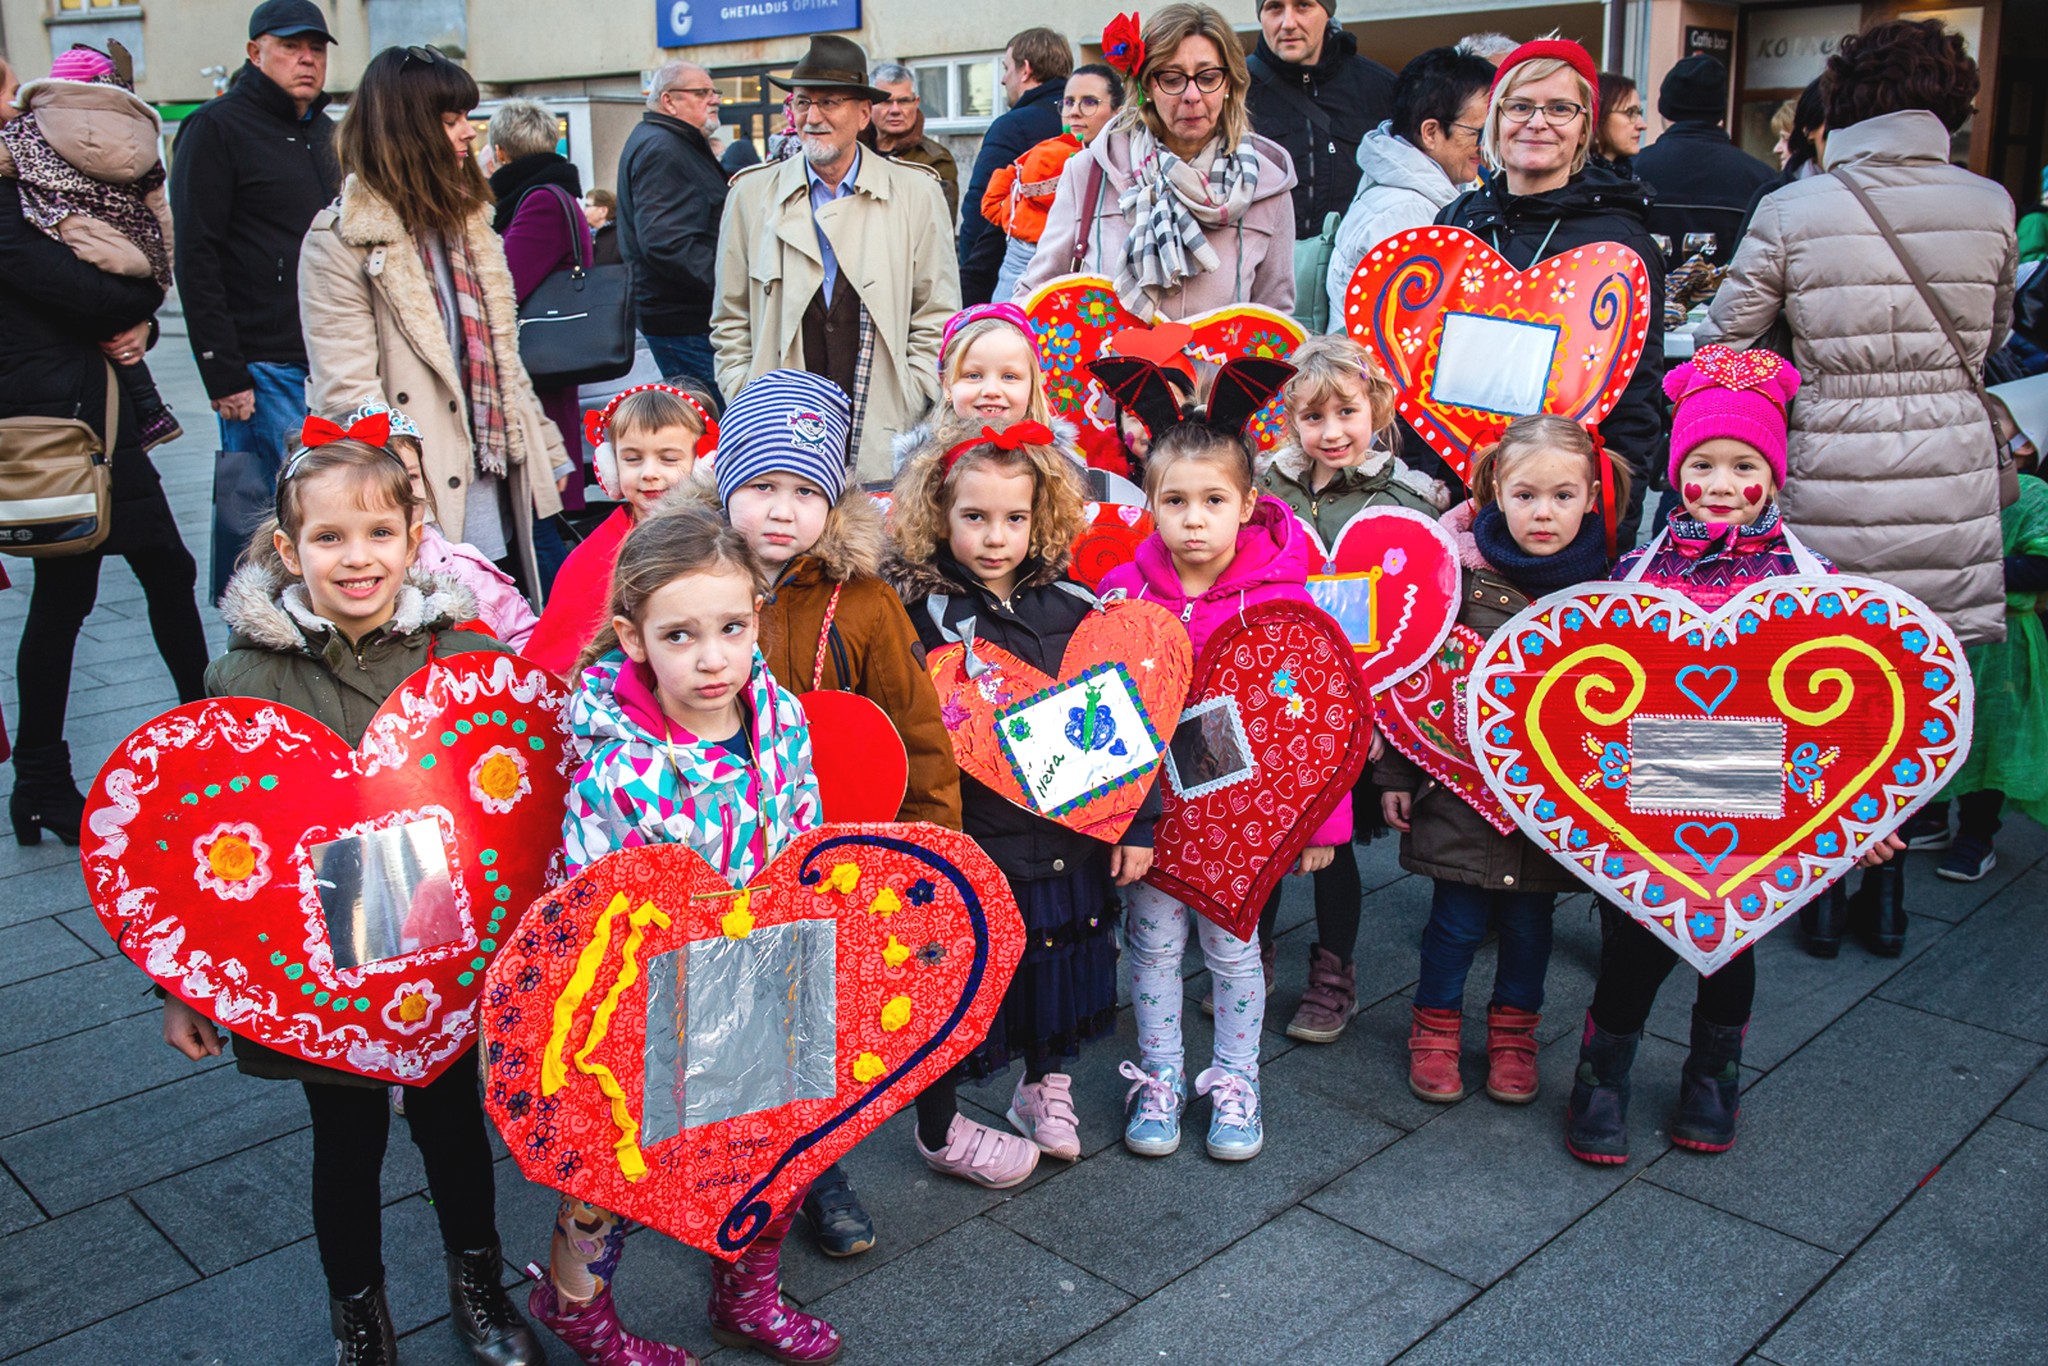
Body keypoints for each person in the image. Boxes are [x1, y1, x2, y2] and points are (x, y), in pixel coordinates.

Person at [162, 436, 542, 1366]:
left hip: (441, 946)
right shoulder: (244, 678)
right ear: (290, 553)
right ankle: (359, 1317)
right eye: (330, 537)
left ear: (417, 539)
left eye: (379, 531)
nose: (358, 556)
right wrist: (188, 986)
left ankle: (480, 1284)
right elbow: (192, 845)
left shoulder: (467, 659)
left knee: (454, 1125)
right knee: (346, 1139)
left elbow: (524, 803)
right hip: (319, 966)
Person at [1568, 346, 1902, 1162]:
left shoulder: (1814, 582)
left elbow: (1859, 700)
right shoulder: (1636, 572)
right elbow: (1591, 674)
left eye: (1743, 464)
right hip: (1654, 777)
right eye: (1703, 463)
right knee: (1640, 939)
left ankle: (1713, 1076)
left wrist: (1871, 811)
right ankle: (1601, 1075)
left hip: (1759, 783)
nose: (1719, 482)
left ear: (1774, 475)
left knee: (1730, 942)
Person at [533, 508, 841, 1366]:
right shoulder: (616, 761)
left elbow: (807, 838)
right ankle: (575, 1306)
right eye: (681, 635)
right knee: (613, 1177)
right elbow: (588, 906)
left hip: (772, 981)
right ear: (633, 638)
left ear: (756, 617)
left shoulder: (777, 715)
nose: (712, 659)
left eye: (732, 628)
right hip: (657, 1007)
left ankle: (747, 1296)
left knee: (774, 1153)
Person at [714, 370, 961, 1255]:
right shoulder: (688, 578)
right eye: (761, 486)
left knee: (814, 1024)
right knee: (724, 1021)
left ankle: (815, 1171)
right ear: (724, 483)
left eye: (805, 491)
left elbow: (916, 729)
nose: (781, 512)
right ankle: (730, 1170)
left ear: (835, 500)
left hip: (828, 857)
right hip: (716, 852)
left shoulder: (864, 600)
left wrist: (936, 845)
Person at [1699, 17, 2016, 656]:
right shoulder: (1992, 204)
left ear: (1842, 102)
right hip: (1952, 472)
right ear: (1952, 105)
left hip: (1828, 465)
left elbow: (1722, 346)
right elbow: (1996, 335)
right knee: (1931, 681)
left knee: (1824, 667)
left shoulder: (1794, 208)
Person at [888, 418, 1139, 1185]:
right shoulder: (918, 615)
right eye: (975, 517)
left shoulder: (1072, 606)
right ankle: (948, 1115)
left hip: (1071, 834)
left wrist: (1137, 822)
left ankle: (1044, 1086)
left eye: (1015, 518)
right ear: (939, 514)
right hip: (978, 839)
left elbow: (1126, 722)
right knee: (975, 980)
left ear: (1043, 517)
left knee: (1059, 964)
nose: (996, 537)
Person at [1098, 408, 1346, 1161]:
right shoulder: (1121, 592)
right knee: (1151, 946)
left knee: (1235, 952)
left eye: (1213, 501)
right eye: (1175, 502)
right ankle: (1161, 1077)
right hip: (1152, 817)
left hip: (1242, 821)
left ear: (1247, 504)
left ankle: (1238, 1082)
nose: (1194, 520)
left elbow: (1320, 719)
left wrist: (1320, 827)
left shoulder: (1283, 596)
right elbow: (1098, 706)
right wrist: (1109, 821)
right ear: (1150, 505)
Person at [1377, 416, 1628, 1106]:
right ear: (1494, 490)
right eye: (1524, 495)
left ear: (1592, 499)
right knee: (1454, 922)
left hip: (1551, 804)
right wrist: (1397, 774)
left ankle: (1515, 1034)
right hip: (1457, 790)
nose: (1542, 512)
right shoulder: (1452, 575)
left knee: (1528, 926)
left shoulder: (1609, 588)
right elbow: (1409, 673)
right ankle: (1434, 1028)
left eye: (1562, 496)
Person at [0, 76, 208, 846]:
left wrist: (137, 327)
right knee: (90, 589)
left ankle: (45, 780)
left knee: (128, 581)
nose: (14, 101)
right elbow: (95, 296)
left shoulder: (31, 179)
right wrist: (134, 311)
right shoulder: (4, 194)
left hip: (92, 415)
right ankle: (198, 743)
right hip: (57, 427)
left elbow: (114, 300)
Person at [299, 46, 568, 609]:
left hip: (496, 468)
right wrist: (407, 497)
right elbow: (350, 393)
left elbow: (504, 358)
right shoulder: (341, 240)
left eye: (466, 118)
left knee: (513, 623)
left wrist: (548, 450)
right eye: (450, 121)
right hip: (421, 479)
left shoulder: (469, 229)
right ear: (405, 130)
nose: (468, 135)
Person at [1256, 335, 1441, 1042]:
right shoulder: (1265, 491)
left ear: (1378, 409)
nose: (1331, 432)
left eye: (1346, 413)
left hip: (1358, 705)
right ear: (1290, 421)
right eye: (1313, 418)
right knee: (1270, 835)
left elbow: (1421, 608)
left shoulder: (1404, 500)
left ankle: (1335, 973)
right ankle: (1253, 954)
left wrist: (1387, 723)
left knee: (1332, 848)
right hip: (1277, 697)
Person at [1437, 38, 1664, 550]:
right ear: (1495, 119)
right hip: (1458, 506)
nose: (1538, 122)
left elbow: (1638, 403)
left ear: (1585, 124)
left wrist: (1610, 529)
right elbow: (1423, 376)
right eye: (1520, 106)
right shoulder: (1456, 225)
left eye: (1560, 108)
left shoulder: (1620, 244)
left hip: (1563, 520)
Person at [712, 35, 959, 484]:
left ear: (864, 113)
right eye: (803, 102)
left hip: (884, 415)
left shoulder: (917, 192)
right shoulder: (750, 195)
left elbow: (937, 312)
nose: (813, 116)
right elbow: (730, 316)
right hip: (777, 416)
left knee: (880, 547)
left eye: (830, 102)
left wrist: (914, 390)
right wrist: (742, 387)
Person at [171, 0, 340, 598]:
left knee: (329, 518)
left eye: (316, 49)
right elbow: (196, 254)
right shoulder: (216, 127)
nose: (306, 59)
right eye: (291, 46)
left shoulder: (327, 132)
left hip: (328, 358)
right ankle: (254, 653)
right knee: (269, 523)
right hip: (262, 363)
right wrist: (222, 370)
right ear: (254, 52)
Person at [1018, 4, 1298, 319]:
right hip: (1107, 368)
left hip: (1215, 370)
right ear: (1148, 86)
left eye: (1207, 78)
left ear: (1229, 85)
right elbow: (1036, 297)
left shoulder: (1266, 186)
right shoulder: (1090, 172)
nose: (1192, 95)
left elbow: (1275, 320)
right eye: (1172, 78)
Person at [0, 45, 182, 450]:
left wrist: (144, 328)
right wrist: (150, 293)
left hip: (82, 398)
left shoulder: (36, 171)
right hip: (39, 418)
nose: (19, 108)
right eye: (11, 94)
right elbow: (78, 291)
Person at [1907, 459, 2048, 883]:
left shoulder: (2032, 495)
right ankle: (1932, 819)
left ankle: (1977, 835)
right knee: (1932, 727)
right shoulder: (1945, 483)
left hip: (2002, 641)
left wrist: (1965, 571)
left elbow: (2041, 564)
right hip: (1941, 632)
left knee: (1991, 736)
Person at [523, 383, 714, 677]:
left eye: (669, 459)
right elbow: (555, 658)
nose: (648, 473)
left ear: (704, 463)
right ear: (610, 466)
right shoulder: (596, 556)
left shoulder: (721, 537)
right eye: (632, 459)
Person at [1325, 45, 1495, 329]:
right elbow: (1411, 333)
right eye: (1479, 132)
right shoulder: (1403, 215)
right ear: (1430, 132)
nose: (1486, 145)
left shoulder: (1418, 192)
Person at [487, 98, 594, 543]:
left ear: (501, 154)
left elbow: (504, 283)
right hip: (544, 359)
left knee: (547, 494)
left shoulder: (541, 202)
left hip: (541, 361)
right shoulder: (551, 194)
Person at [355, 400, 540, 649]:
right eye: (381, 480)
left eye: (411, 476)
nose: (402, 491)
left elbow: (527, 639)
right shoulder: (343, 575)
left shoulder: (464, 572)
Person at [616, 59, 729, 400]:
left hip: (682, 316)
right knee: (713, 425)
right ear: (669, 101)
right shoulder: (663, 148)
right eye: (701, 93)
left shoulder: (672, 141)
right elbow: (667, 242)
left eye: (714, 91)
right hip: (682, 321)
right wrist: (728, 283)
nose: (714, 100)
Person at [1244, 0, 1394, 243]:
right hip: (1261, 272)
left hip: (1355, 267)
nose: (1288, 23)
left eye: (1303, 5)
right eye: (1274, 7)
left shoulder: (1381, 88)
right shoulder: (1233, 90)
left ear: (1327, 11)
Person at [982, 63, 1126, 303]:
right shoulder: (1049, 154)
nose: (1074, 111)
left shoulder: (1133, 167)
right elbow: (992, 196)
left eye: (1089, 102)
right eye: (1068, 102)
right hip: (1042, 292)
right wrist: (1016, 224)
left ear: (1117, 111)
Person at [957, 28, 1073, 305]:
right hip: (1071, 277)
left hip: (1011, 278)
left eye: (1006, 67)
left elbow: (980, 207)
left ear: (1026, 70)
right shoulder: (1089, 121)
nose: (1002, 79)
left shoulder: (1013, 126)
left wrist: (970, 282)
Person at [1634, 55, 1776, 269]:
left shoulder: (1631, 170)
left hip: (1645, 298)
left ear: (1664, 109)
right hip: (1728, 300)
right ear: (1720, 114)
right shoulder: (1762, 179)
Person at [870, 61, 959, 221]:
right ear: (868, 105)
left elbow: (938, 226)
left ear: (916, 103)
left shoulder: (936, 160)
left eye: (904, 101)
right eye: (886, 101)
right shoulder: (850, 151)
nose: (895, 110)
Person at [1592, 70, 1644, 176]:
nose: (1642, 125)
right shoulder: (1577, 185)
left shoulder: (1627, 178)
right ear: (1597, 118)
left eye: (1639, 113)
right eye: (1630, 113)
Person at [581, 186, 622, 265]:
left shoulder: (619, 236)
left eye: (587, 206)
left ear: (603, 211)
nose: (583, 211)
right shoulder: (586, 235)